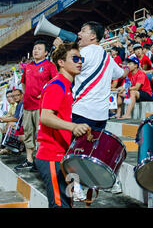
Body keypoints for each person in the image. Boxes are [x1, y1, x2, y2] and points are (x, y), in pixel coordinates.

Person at [53, 21, 130, 197]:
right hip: (101, 114)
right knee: (91, 150)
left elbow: (66, 67)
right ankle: (111, 182)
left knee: (74, 151)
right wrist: (125, 67)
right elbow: (121, 74)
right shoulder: (107, 57)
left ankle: (76, 188)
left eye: (83, 30)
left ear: (93, 36)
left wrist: (60, 49)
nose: (78, 33)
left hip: (81, 110)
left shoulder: (82, 53)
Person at [34, 42, 91, 208]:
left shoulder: (65, 85)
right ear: (60, 62)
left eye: (81, 58)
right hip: (51, 154)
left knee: (66, 202)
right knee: (60, 204)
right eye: (74, 58)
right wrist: (73, 127)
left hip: (60, 153)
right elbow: (45, 117)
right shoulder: (57, 85)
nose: (79, 62)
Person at [15, 40, 58, 171]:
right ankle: (29, 160)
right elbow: (23, 83)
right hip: (28, 106)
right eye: (34, 48)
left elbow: (55, 83)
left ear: (46, 52)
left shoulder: (50, 66)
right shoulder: (27, 67)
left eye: (39, 48)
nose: (36, 51)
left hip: (42, 107)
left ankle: (40, 161)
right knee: (28, 134)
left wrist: (46, 94)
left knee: (41, 135)